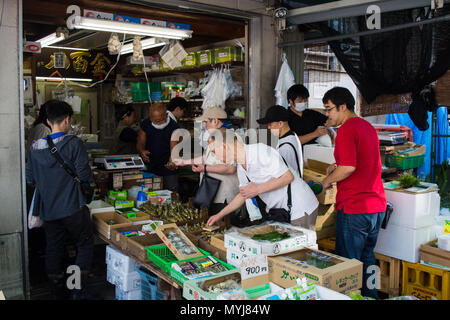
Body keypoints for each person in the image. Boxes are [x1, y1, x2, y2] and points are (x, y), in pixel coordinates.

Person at [320, 87, 386, 299]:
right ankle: (371, 296)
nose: (327, 114)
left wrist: (326, 181)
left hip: (355, 208)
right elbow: (358, 159)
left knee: (347, 266)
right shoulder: (366, 126)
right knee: (367, 258)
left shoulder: (347, 129)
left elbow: (349, 167)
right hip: (376, 208)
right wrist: (336, 164)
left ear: (343, 106)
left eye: (329, 109)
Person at [26, 100, 94, 300]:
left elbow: (30, 179)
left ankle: (56, 291)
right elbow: (84, 175)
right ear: (67, 120)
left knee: (53, 247)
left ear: (47, 121)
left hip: (49, 210)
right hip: (73, 208)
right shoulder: (74, 143)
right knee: (83, 244)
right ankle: (77, 290)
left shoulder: (35, 148)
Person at [206, 129, 319, 230]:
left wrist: (257, 190)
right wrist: (219, 215)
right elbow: (243, 195)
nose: (216, 157)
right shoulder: (241, 167)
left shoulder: (260, 152)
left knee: (297, 250)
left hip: (299, 208)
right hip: (281, 211)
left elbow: (287, 177)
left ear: (224, 146)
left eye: (214, 152)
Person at [174, 107, 240, 217]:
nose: (205, 125)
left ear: (215, 121)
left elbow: (230, 168)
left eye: (206, 122)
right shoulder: (215, 137)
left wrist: (204, 169)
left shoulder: (230, 137)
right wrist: (184, 162)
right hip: (212, 193)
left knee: (225, 227)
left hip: (224, 196)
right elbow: (207, 157)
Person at [137, 102, 180, 192]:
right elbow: (140, 142)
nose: (157, 123)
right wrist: (142, 151)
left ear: (166, 114)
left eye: (160, 120)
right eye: (154, 120)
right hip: (150, 165)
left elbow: (174, 147)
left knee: (171, 193)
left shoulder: (174, 127)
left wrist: (172, 160)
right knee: (149, 193)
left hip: (167, 167)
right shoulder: (146, 124)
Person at [257, 105, 304, 178]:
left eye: (270, 124)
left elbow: (280, 177)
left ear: (280, 124)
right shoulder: (293, 136)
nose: (268, 127)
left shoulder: (285, 148)